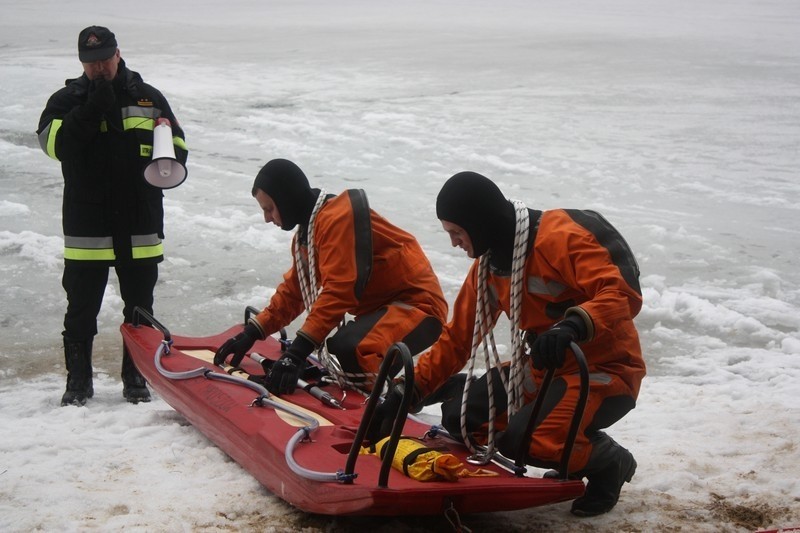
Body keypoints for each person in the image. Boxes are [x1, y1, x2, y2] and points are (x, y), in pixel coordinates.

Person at [370, 171, 645, 517]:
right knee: (461, 418)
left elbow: (623, 292)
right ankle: (541, 432)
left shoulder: (561, 237)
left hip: (606, 370)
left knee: (532, 441)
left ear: (481, 223)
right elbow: (457, 340)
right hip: (545, 369)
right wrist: (405, 391)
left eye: (456, 232)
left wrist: (573, 325)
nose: (454, 243)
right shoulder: (488, 267)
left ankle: (609, 463)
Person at [37, 26, 188, 406]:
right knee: (80, 310)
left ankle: (136, 381)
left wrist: (167, 141)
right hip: (87, 229)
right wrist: (92, 108)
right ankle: (78, 384)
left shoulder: (149, 98)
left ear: (118, 53)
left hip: (139, 226)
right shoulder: (65, 101)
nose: (99, 67)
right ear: (81, 63)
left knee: (140, 309)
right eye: (91, 63)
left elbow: (179, 153)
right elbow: (56, 145)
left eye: (105, 59)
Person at [214, 158, 448, 394]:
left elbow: (340, 291)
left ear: (286, 198)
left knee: (350, 350)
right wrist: (253, 332)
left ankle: (403, 395)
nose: (266, 218)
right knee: (339, 348)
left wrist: (296, 354)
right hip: (385, 308)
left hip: (418, 306)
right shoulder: (308, 235)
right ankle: (394, 390)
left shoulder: (337, 218)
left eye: (269, 208)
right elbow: (294, 293)